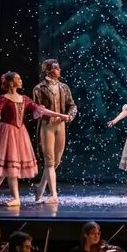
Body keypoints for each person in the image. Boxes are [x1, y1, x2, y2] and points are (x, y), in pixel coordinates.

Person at [0, 72, 72, 207]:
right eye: (18, 79)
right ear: (11, 83)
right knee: (8, 167)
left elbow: (42, 111)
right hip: (7, 132)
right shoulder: (4, 99)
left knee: (7, 168)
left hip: (20, 134)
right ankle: (14, 197)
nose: (21, 81)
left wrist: (61, 115)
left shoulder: (24, 99)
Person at [32, 59, 78, 204]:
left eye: (58, 68)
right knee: (50, 161)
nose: (59, 70)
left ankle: (40, 187)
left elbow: (72, 105)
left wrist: (70, 115)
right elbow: (38, 110)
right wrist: (50, 115)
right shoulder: (39, 88)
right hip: (47, 125)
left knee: (56, 160)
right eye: (56, 68)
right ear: (48, 71)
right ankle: (53, 194)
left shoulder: (64, 87)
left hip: (61, 125)